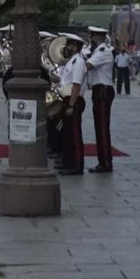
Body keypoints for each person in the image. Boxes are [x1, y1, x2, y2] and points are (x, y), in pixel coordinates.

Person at [84, 26, 115, 174]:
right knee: (100, 128)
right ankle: (104, 161)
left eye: (92, 37)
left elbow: (87, 66)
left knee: (102, 128)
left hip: (103, 90)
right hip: (99, 90)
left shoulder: (103, 51)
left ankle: (105, 163)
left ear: (98, 37)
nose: (91, 40)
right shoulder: (98, 51)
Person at [58, 35, 87, 176]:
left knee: (74, 134)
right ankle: (69, 162)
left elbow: (76, 85)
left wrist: (71, 105)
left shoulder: (79, 62)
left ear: (75, 47)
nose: (66, 48)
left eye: (69, 45)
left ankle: (77, 165)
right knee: (67, 134)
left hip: (74, 100)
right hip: (67, 98)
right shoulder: (71, 61)